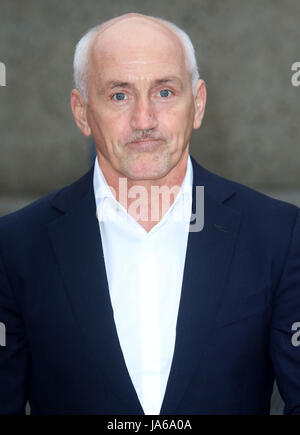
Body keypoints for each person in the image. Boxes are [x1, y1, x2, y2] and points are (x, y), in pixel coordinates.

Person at [0, 12, 300, 416]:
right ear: (81, 111)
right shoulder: (17, 246)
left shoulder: (278, 236)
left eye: (164, 93)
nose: (144, 120)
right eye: (119, 95)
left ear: (197, 104)